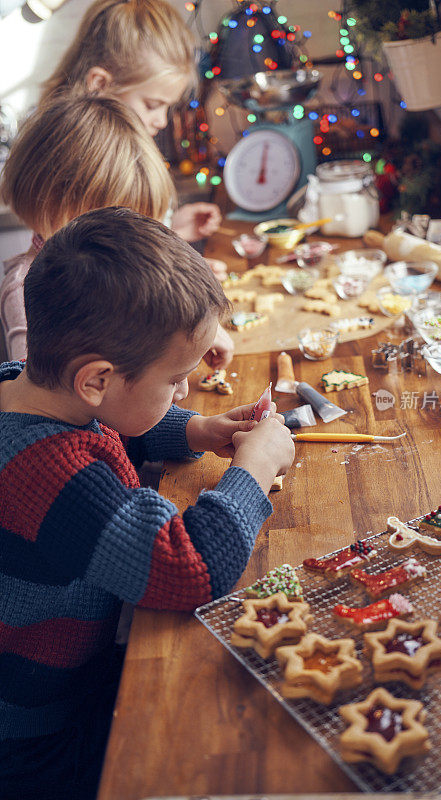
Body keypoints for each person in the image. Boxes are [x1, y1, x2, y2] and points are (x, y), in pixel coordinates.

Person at [0, 206, 295, 800]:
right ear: (98, 378)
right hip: (41, 729)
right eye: (175, 379)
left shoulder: (28, 385)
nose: (184, 389)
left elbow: (114, 426)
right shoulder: (48, 473)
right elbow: (182, 567)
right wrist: (253, 469)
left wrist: (193, 429)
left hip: (64, 681)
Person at [0, 94, 233, 366]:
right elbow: (41, 400)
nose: (131, 242)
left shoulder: (103, 260)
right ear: (55, 204)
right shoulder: (25, 290)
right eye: (122, 230)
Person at [40, 0, 228, 280]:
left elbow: (121, 245)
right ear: (101, 85)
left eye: (168, 107)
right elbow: (97, 276)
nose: (162, 121)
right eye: (152, 104)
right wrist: (175, 275)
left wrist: (172, 231)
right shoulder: (84, 170)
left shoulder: (124, 147)